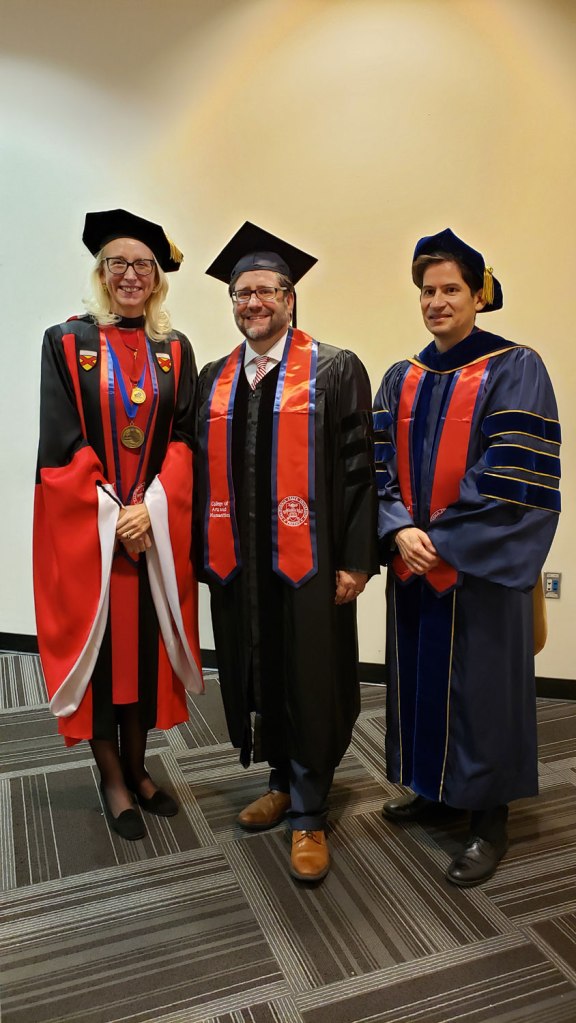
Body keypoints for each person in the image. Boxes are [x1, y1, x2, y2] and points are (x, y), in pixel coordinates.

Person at [373, 228, 561, 885]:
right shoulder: (402, 377)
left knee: (482, 689)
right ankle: (431, 785)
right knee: (420, 679)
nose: (436, 300)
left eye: (451, 288)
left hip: (476, 569)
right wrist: (397, 527)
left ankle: (489, 818)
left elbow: (513, 475)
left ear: (479, 294)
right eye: (427, 290)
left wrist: (442, 541)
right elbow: (375, 470)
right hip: (414, 563)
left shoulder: (515, 367)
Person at [196, 222, 378, 881]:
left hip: (309, 563)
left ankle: (308, 808)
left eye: (266, 290)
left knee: (309, 672)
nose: (253, 302)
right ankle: (278, 776)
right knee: (259, 665)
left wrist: (357, 559)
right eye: (241, 293)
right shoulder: (215, 380)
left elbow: (360, 470)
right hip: (243, 568)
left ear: (290, 298)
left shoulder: (335, 369)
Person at [34, 208, 203, 841]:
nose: (130, 275)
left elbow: (185, 438)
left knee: (146, 651)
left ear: (158, 279)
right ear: (101, 274)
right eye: (118, 264)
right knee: (103, 656)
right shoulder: (66, 342)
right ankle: (112, 775)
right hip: (96, 532)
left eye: (143, 265)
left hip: (149, 531)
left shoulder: (174, 350)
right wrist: (112, 512)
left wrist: (152, 508)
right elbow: (61, 440)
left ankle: (140, 765)